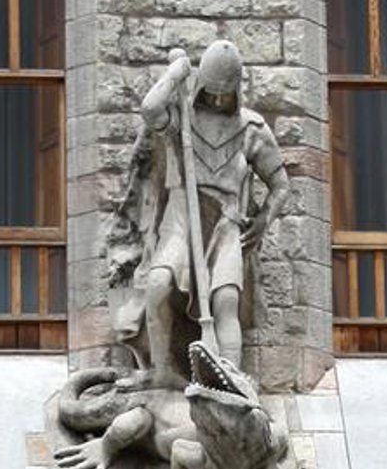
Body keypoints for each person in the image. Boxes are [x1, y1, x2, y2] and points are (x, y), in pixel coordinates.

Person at [113, 40, 291, 378]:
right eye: (213, 92)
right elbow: (150, 109)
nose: (219, 100)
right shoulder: (183, 118)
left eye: (226, 94)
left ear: (237, 91)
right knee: (158, 284)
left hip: (226, 224)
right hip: (181, 216)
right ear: (200, 87)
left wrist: (263, 221)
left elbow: (281, 185)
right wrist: (176, 72)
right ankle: (161, 371)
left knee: (226, 301)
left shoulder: (252, 129)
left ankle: (231, 378)